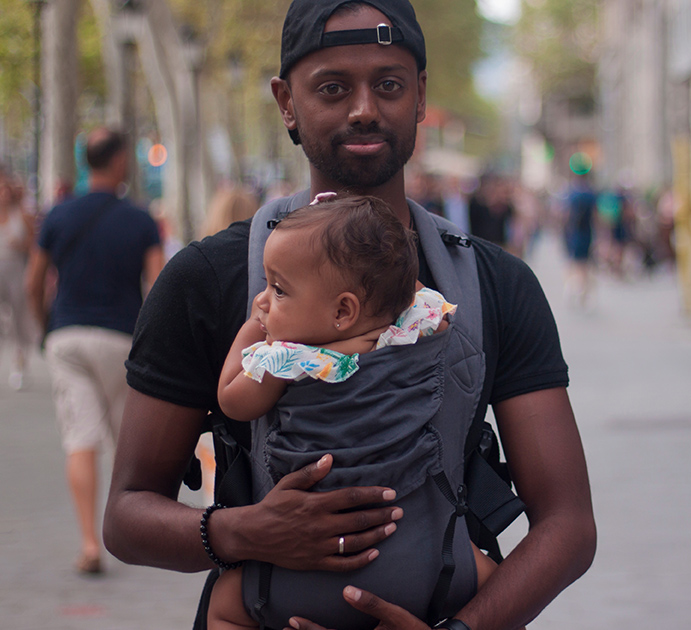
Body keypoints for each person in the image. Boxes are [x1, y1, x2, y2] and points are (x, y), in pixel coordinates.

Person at [104, 2, 595, 630]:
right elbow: (125, 515)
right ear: (285, 102)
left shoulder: (495, 286)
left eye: (388, 84)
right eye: (333, 87)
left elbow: (569, 525)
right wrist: (243, 532)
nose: (364, 107)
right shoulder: (207, 282)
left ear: (421, 96)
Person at [209, 193, 498, 629]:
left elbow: (232, 398)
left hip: (303, 570)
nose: (264, 300)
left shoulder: (288, 360)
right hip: (423, 558)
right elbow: (420, 300)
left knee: (225, 602)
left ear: (344, 310)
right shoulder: (412, 330)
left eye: (278, 289)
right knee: (498, 584)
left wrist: (252, 331)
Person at [25, 127, 165, 575]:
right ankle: (134, 535)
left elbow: (34, 280)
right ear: (122, 161)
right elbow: (159, 287)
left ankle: (89, 543)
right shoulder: (141, 219)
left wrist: (44, 327)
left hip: (67, 337)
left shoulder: (58, 215)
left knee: (79, 439)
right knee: (128, 442)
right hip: (122, 340)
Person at [0, 172, 36, 390]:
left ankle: (19, 363)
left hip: (16, 270)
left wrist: (20, 244)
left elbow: (35, 246)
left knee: (19, 319)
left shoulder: (22, 215)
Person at [563, 172, 597, 307]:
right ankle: (582, 289)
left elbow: (566, 214)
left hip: (575, 232)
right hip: (587, 232)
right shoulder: (591, 194)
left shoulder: (573, 194)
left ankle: (575, 288)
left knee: (574, 262)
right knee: (584, 263)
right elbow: (596, 215)